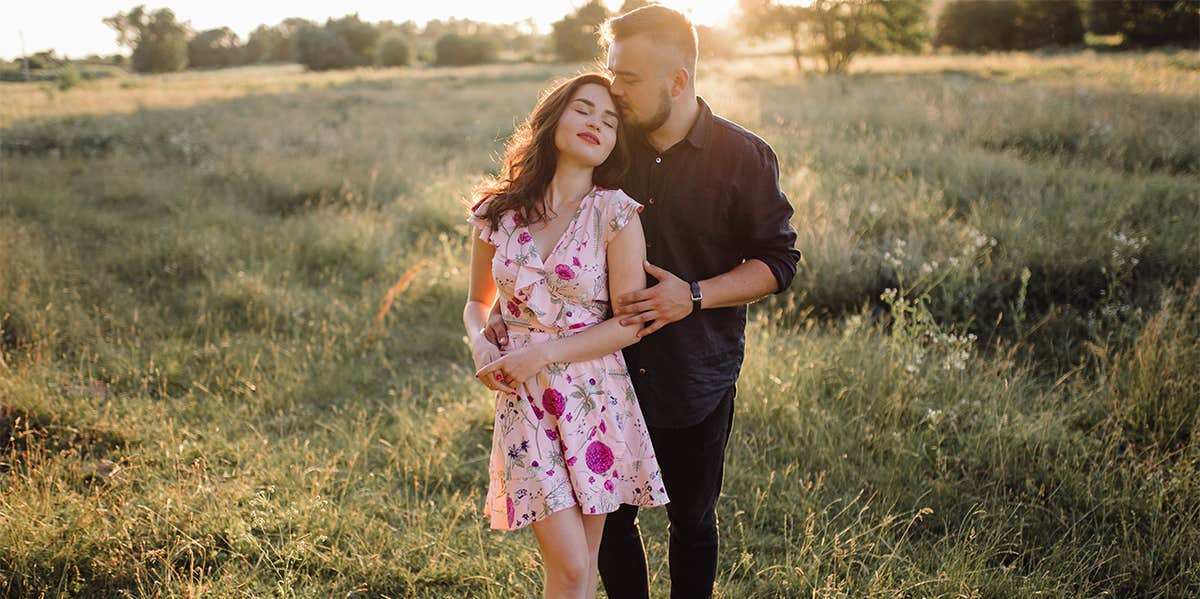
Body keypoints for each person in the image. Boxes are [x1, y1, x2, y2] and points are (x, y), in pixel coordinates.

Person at [483, 6, 802, 598]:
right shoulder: (608, 141)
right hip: (597, 375)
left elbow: (778, 262)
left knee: (693, 520)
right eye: (612, 73)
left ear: (677, 80)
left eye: (627, 78)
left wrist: (696, 295)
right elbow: (546, 214)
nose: (614, 89)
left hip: (695, 373)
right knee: (612, 521)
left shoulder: (744, 156)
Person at [462, 72, 669, 599]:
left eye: (609, 121)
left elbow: (628, 324)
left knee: (578, 571)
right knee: (571, 566)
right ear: (555, 116)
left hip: (595, 398)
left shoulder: (615, 213)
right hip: (524, 401)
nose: (596, 125)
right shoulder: (497, 213)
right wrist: (481, 342)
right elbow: (475, 303)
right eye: (584, 110)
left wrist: (544, 354)